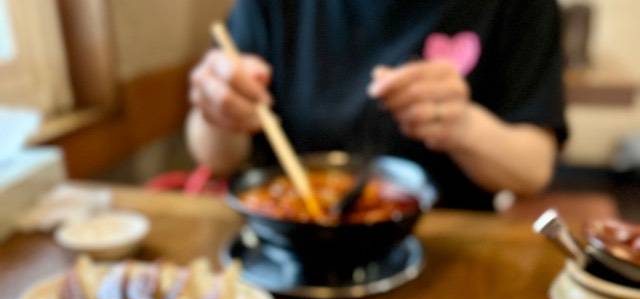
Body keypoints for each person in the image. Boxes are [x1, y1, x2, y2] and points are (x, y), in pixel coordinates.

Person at [187, 1, 567, 210]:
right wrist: (220, 108)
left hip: (448, 249)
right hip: (285, 236)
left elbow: (532, 170)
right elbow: (215, 157)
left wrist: (461, 125)